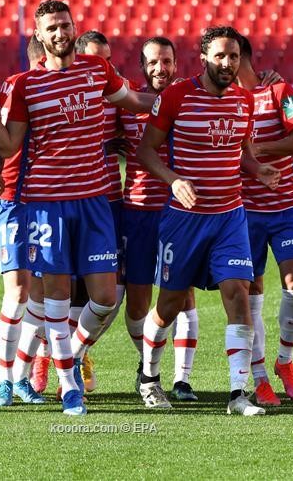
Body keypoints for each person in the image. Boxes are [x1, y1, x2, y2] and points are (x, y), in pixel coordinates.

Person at [0, 0, 157, 415]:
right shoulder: (24, 85)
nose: (61, 33)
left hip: (96, 201)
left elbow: (133, 101)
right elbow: (8, 145)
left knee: (103, 297)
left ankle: (70, 356)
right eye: (52, 28)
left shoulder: (97, 70)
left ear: (74, 27)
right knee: (55, 298)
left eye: (66, 24)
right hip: (46, 206)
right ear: (40, 36)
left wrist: (182, 96)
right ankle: (68, 387)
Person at [136, 26, 280, 416]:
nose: (228, 63)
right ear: (203, 58)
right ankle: (149, 378)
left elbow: (241, 153)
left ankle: (237, 394)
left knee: (238, 295)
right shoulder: (176, 96)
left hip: (230, 217)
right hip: (184, 220)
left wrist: (258, 170)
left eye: (234, 56)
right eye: (220, 56)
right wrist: (174, 180)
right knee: (168, 305)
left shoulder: (244, 102)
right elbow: (147, 151)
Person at [120, 36, 200, 401]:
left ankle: (182, 381)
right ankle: (146, 368)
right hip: (137, 212)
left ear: (176, 64)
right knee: (137, 302)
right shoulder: (129, 104)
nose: (160, 68)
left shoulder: (189, 99)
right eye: (153, 62)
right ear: (143, 66)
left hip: (181, 213)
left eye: (166, 61)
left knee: (183, 297)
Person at [235, 34, 293, 406]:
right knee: (251, 294)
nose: (224, 65)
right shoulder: (222, 99)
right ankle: (261, 376)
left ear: (244, 57)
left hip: (285, 208)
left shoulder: (278, 90)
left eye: (232, 57)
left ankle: (286, 361)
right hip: (245, 212)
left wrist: (261, 149)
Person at [0, 35, 48, 407]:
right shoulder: (18, 85)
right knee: (20, 291)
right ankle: (3, 380)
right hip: (11, 200)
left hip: (48, 204)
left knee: (45, 295)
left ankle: (21, 377)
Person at [70, 29, 128, 393]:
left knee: (111, 292)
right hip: (66, 199)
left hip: (111, 201)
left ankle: (78, 351)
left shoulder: (116, 94)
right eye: (96, 57)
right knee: (65, 287)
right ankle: (57, 359)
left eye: (108, 58)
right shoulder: (68, 92)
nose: (103, 65)